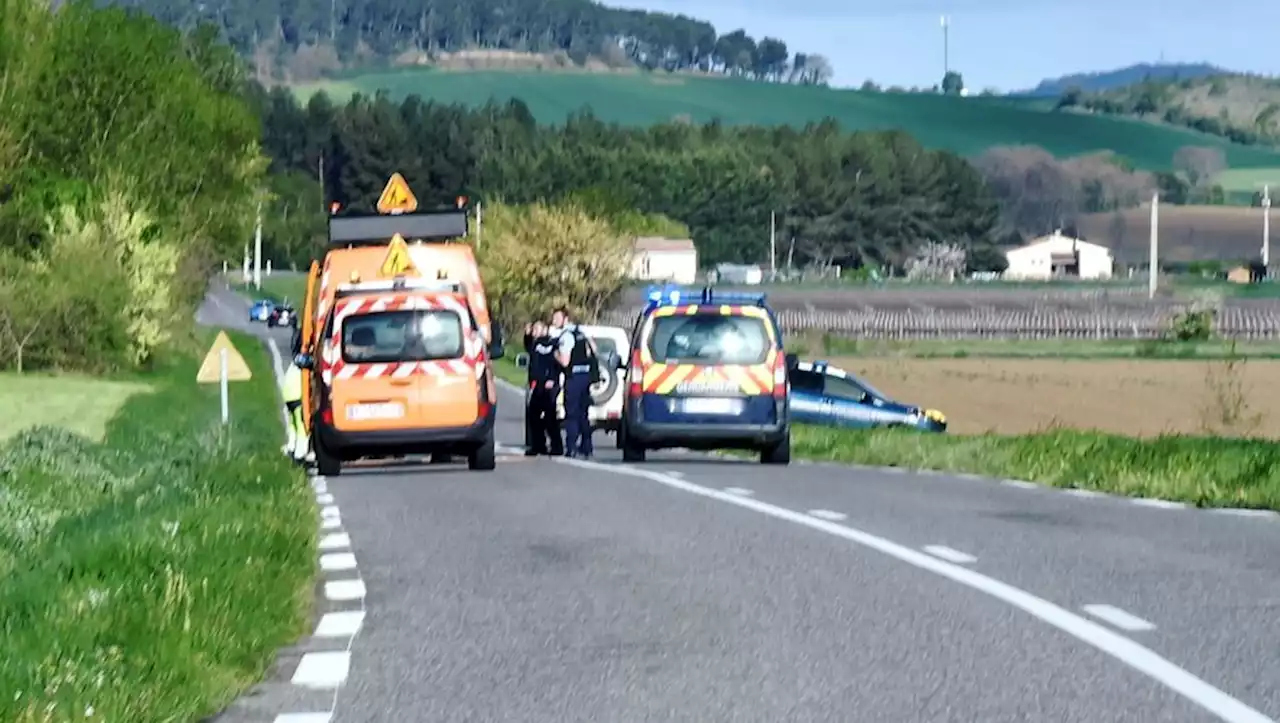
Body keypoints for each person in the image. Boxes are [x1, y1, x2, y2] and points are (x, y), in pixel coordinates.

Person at [550, 306, 599, 459]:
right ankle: (587, 446)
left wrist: (555, 354)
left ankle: (570, 448)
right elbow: (594, 350)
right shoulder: (581, 333)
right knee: (583, 414)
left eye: (557, 318)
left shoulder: (567, 336)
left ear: (565, 319)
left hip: (574, 379)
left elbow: (565, 362)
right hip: (586, 378)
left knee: (571, 414)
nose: (554, 321)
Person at [523, 320, 563, 456]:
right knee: (533, 415)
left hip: (550, 384)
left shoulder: (552, 344)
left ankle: (557, 446)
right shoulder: (534, 344)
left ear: (545, 330)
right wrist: (527, 334)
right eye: (533, 329)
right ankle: (538, 445)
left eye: (537, 329)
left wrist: (552, 378)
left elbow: (556, 362)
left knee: (550, 416)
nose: (534, 332)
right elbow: (527, 345)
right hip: (538, 384)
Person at [280, 351, 313, 463]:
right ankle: (300, 453)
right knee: (302, 426)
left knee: (293, 425)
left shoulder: (295, 362)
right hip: (297, 396)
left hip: (288, 397)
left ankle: (291, 447)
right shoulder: (305, 361)